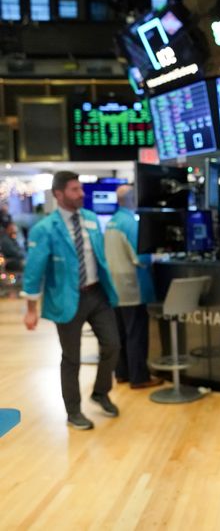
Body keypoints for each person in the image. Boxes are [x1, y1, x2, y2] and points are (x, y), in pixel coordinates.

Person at [22, 171, 121, 431]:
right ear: (59, 194)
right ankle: (73, 411)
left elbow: (98, 257)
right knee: (71, 358)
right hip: (66, 298)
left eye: (81, 189)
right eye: (75, 190)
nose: (81, 194)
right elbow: (34, 270)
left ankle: (100, 392)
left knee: (113, 345)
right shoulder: (44, 229)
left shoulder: (89, 219)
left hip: (97, 293)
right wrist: (30, 308)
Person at [104, 184, 163, 389]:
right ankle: (139, 377)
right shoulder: (131, 224)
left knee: (121, 333)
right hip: (132, 287)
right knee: (136, 333)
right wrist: (158, 254)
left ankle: (122, 373)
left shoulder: (112, 222)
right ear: (133, 199)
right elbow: (142, 257)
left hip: (115, 288)